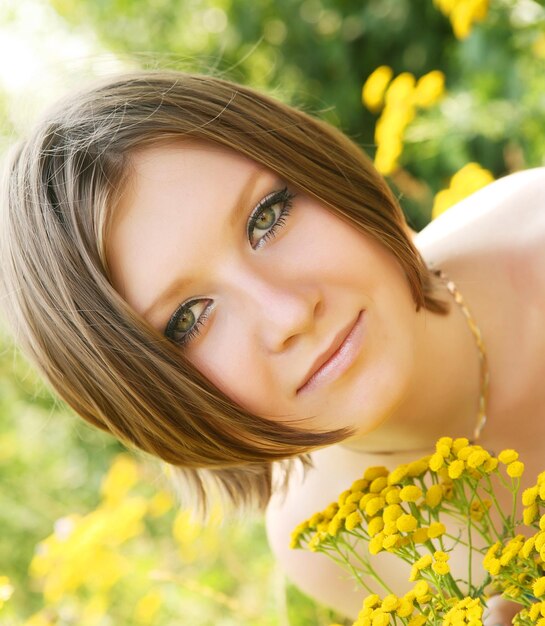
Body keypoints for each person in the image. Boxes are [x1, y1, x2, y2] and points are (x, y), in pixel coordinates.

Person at [1, 70, 543, 622]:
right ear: (150, 399)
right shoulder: (328, 542)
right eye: (189, 319)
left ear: (319, 165)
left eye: (268, 218)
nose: (287, 313)